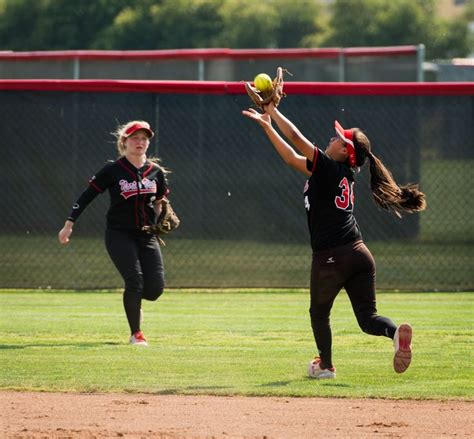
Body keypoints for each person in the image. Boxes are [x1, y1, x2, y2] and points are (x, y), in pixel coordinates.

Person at [242, 102, 426, 379]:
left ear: (344, 151)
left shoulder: (329, 167)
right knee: (367, 319)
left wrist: (272, 110)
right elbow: (291, 158)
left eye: (338, 138)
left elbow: (295, 139)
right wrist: (268, 126)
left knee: (319, 313)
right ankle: (394, 332)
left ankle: (325, 366)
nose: (332, 138)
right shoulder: (339, 174)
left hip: (332, 256)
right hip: (359, 254)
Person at [58, 120, 170, 347]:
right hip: (119, 234)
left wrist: (161, 214)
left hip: (147, 235)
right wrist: (69, 223)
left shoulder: (155, 172)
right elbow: (86, 196)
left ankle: (135, 303)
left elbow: (159, 201)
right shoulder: (113, 170)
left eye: (144, 138)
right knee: (135, 280)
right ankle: (136, 334)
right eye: (135, 138)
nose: (140, 142)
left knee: (155, 289)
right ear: (124, 142)